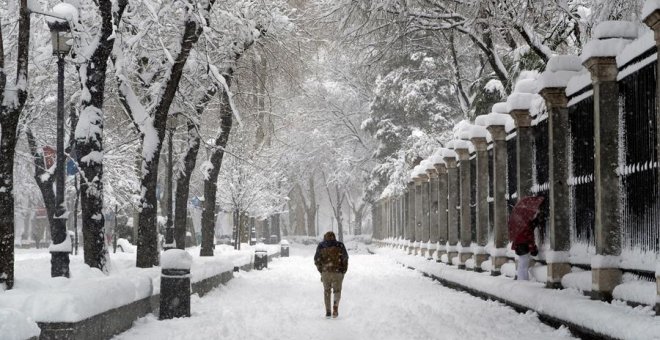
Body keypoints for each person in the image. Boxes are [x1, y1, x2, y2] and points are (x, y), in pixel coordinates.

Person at [508, 196, 544, 281]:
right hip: (524, 247)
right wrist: (533, 249)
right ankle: (523, 281)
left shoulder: (519, 224)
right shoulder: (526, 226)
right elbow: (529, 238)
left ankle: (522, 280)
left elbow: (529, 230)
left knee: (521, 265)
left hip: (519, 246)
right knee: (523, 266)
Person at [314, 231, 349, 318]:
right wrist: (343, 270)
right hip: (337, 272)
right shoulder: (340, 245)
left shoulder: (321, 246)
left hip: (326, 272)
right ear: (334, 237)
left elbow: (316, 259)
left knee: (327, 291)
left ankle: (328, 311)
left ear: (325, 237)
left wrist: (321, 271)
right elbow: (345, 258)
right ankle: (335, 306)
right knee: (337, 291)